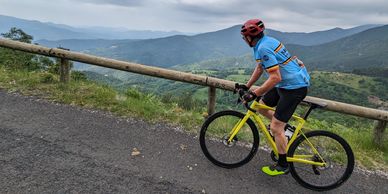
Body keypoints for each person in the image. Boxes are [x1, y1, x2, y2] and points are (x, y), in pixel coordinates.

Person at [237, 19, 310, 176]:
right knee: (261, 106)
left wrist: (254, 93)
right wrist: (247, 86)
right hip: (284, 85)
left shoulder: (263, 47)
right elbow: (260, 67)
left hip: (294, 88)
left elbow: (275, 77)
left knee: (276, 126)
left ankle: (283, 164)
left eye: (245, 37)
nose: (244, 40)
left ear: (251, 37)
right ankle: (286, 130)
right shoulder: (266, 42)